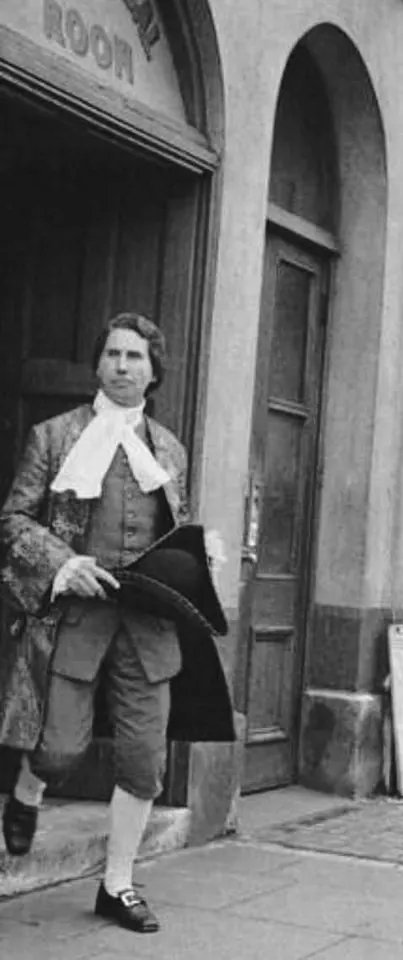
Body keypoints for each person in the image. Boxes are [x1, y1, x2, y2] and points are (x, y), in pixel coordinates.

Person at [0, 313, 227, 933]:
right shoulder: (53, 437)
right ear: (98, 364)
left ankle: (117, 885)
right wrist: (62, 563)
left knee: (144, 762)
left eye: (136, 357)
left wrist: (201, 558)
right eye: (113, 354)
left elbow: (177, 530)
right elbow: (13, 521)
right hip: (76, 617)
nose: (123, 366)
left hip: (148, 626)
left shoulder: (169, 448)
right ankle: (28, 785)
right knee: (60, 749)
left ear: (154, 373)